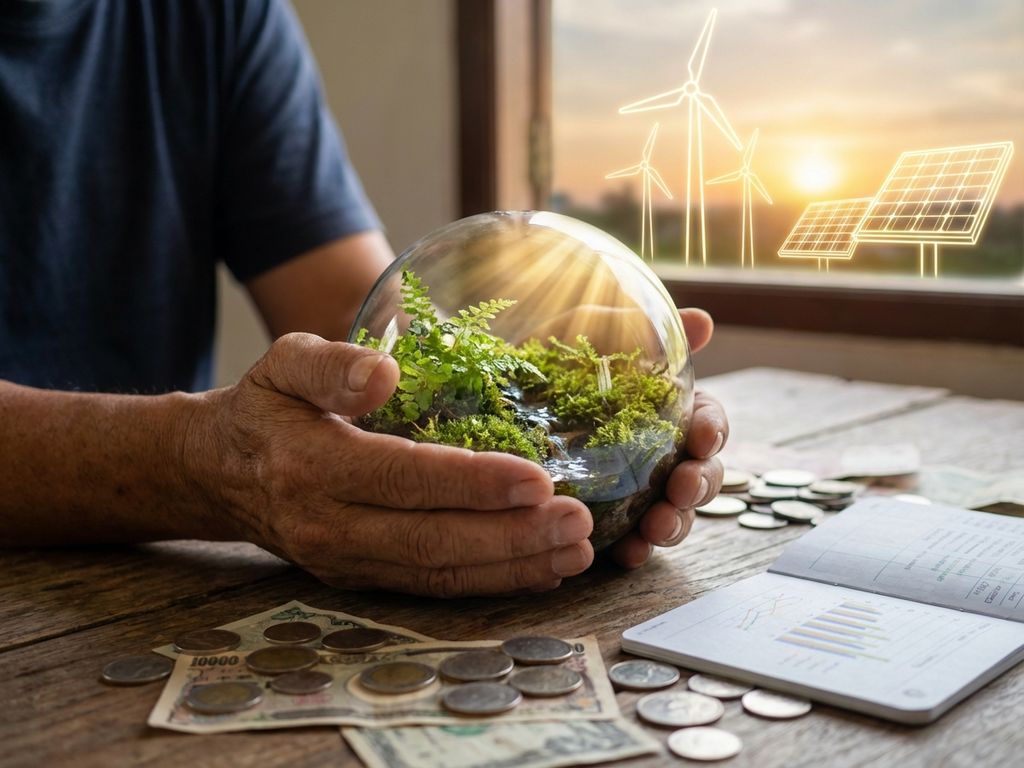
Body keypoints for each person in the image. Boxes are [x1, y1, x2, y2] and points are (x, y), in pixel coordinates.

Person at [0, 0, 727, 596]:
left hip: (151, 579)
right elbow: (246, 449)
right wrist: (202, 467)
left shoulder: (217, 15)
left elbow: (360, 332)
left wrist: (514, 376)